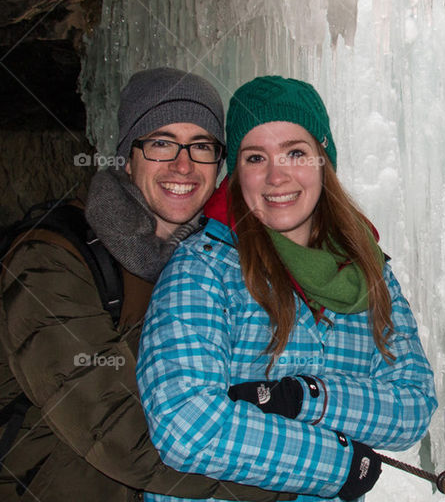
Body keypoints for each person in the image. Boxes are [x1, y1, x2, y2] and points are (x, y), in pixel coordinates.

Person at [136, 76, 437, 502]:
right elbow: (186, 425)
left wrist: (304, 397)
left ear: (323, 159)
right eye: (256, 157)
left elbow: (413, 407)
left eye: (295, 152)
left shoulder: (369, 270)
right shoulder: (204, 269)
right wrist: (337, 465)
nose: (276, 176)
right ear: (237, 174)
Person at [0, 68, 294, 501]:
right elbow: (118, 430)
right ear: (126, 157)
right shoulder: (50, 260)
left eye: (201, 146)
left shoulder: (215, 265)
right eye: (160, 143)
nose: (183, 164)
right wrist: (293, 474)